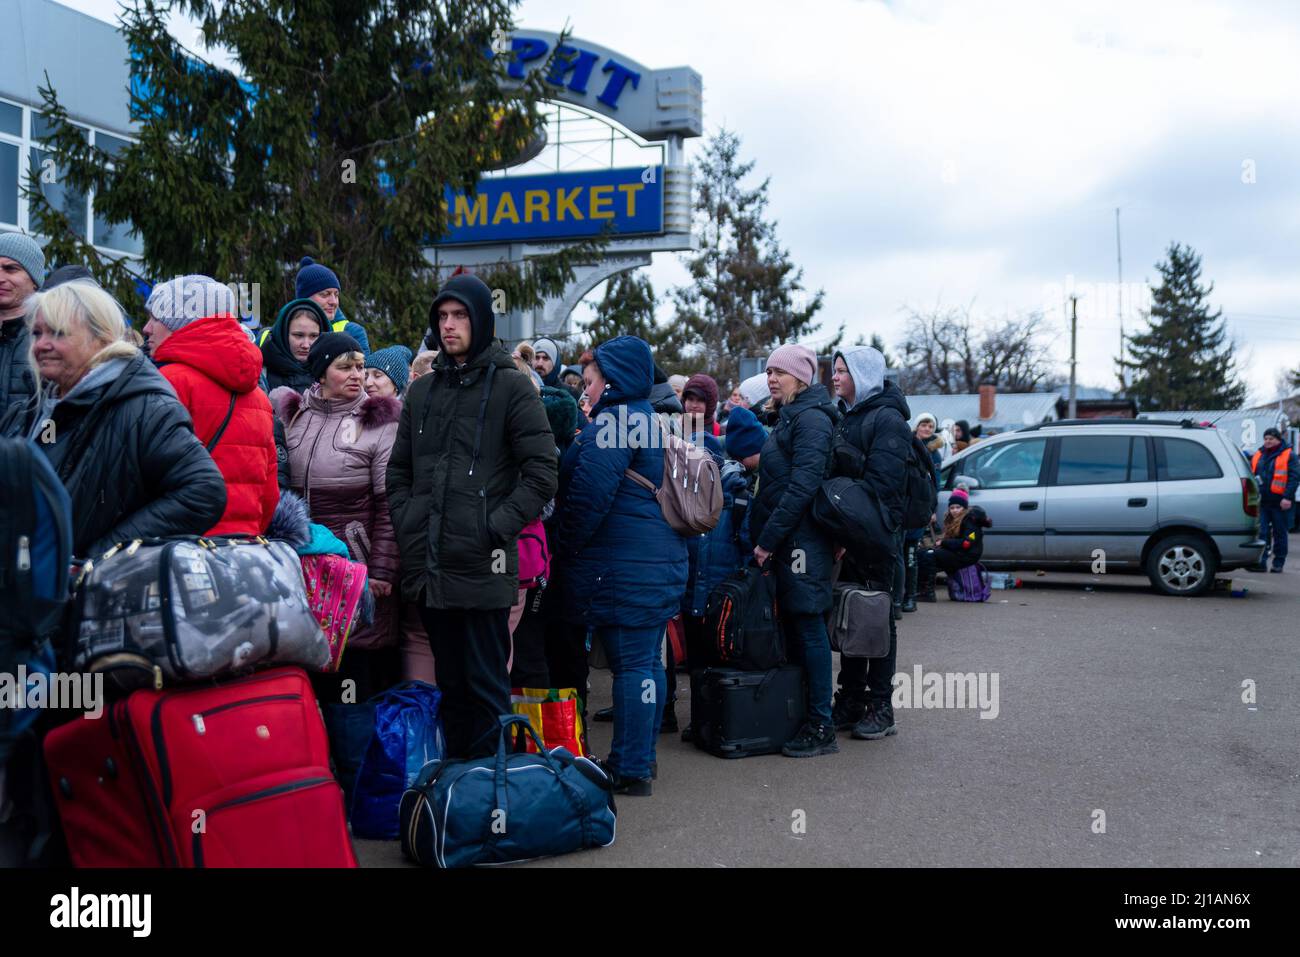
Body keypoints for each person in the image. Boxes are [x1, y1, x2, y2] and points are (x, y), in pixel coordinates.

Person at [387, 274, 557, 760]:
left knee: (486, 691)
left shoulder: (512, 386)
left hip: (485, 568)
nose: (448, 325)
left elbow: (543, 473)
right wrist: (410, 522)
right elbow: (399, 472)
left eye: (459, 316)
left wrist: (493, 527)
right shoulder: (421, 393)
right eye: (442, 316)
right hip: (432, 566)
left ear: (480, 320)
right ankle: (461, 799)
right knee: (452, 688)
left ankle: (493, 800)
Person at [1, 281, 225, 559]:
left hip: (91, 594)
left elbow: (204, 491)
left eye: (58, 333)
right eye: (36, 333)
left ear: (101, 338)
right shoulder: (30, 409)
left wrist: (105, 555)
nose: (42, 344)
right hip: (23, 586)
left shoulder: (144, 406)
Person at [556, 335, 688, 794]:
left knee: (631, 666)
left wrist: (564, 546)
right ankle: (641, 759)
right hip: (655, 561)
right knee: (646, 664)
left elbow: (588, 498)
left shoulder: (616, 422)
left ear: (612, 380)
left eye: (590, 382)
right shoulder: (647, 418)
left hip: (624, 564)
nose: (584, 391)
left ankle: (629, 768)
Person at [275, 333, 402, 694]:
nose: (357, 375)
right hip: (303, 568)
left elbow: (389, 506)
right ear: (320, 373)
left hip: (355, 570)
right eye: (344, 367)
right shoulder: (294, 417)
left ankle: (353, 750)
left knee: (354, 676)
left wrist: (380, 570)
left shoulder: (380, 422)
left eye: (361, 367)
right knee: (308, 669)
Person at [750, 343, 839, 758]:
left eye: (779, 373)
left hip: (802, 541)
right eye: (768, 371)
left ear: (801, 378)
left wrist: (768, 539)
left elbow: (802, 486)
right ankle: (805, 713)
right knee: (800, 626)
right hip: (792, 539)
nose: (771, 378)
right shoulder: (791, 417)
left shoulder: (812, 420)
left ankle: (822, 724)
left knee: (808, 625)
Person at [143, 275, 279, 536]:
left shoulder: (167, 383)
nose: (147, 328)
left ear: (181, 323)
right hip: (241, 550)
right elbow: (269, 494)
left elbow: (141, 477)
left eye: (155, 318)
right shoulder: (260, 398)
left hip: (178, 549)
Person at [826, 346, 913, 741]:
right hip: (853, 533)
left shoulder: (887, 419)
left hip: (877, 536)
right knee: (852, 615)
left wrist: (859, 531)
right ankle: (851, 698)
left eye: (843, 371)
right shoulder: (850, 415)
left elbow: (885, 488)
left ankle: (881, 706)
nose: (835, 377)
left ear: (862, 375)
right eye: (835, 370)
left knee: (876, 619)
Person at [675, 401, 765, 742]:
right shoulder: (681, 503)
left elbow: (746, 549)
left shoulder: (738, 499)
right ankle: (699, 723)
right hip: (691, 598)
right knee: (697, 666)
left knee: (721, 661)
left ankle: (722, 722)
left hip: (723, 598)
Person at [900, 411, 944, 612]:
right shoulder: (905, 445)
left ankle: (911, 597)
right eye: (923, 425)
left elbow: (935, 484)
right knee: (897, 554)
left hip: (918, 508)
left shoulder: (934, 454)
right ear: (916, 426)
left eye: (931, 427)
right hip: (902, 505)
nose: (926, 429)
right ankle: (897, 596)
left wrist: (931, 509)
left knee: (911, 554)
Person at [0, 233, 45, 421]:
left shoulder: (49, 340)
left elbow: (56, 418)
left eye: (10, 269)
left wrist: (45, 446)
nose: (0, 277)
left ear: (34, 280)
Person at [916, 487, 991, 600]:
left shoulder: (970, 521)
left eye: (958, 507)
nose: (955, 510)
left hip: (966, 556)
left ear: (964, 508)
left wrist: (944, 542)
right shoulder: (952, 519)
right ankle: (919, 590)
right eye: (952, 507)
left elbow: (966, 543)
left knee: (930, 555)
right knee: (922, 553)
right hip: (958, 553)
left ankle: (928, 592)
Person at [295, 256, 370, 354]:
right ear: (304, 299)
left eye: (336, 295)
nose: (333, 302)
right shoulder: (279, 333)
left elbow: (361, 368)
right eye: (325, 294)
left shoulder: (352, 332)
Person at [1248, 428, 1297, 572]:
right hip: (1262, 501)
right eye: (1266, 439)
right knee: (1262, 533)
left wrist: (1287, 497)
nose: (1268, 441)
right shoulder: (1259, 454)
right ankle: (1261, 563)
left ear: (1278, 440)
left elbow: (1294, 478)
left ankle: (1278, 563)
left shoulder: (1289, 455)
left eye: (1271, 439)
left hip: (1280, 502)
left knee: (1279, 533)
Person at [261, 298, 330, 393]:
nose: (306, 345)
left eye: (313, 336)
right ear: (283, 335)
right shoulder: (262, 373)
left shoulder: (333, 373)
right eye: (298, 335)